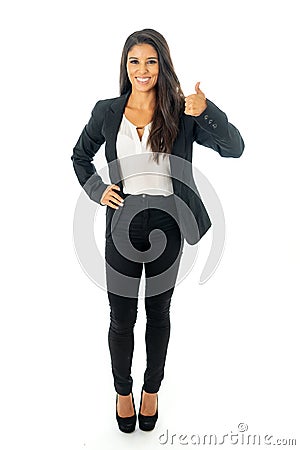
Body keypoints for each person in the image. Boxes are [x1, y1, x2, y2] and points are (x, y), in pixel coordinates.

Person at [71, 28, 244, 433]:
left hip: (169, 219)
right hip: (123, 221)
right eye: (135, 61)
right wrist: (98, 190)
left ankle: (152, 390)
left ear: (162, 66)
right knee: (121, 317)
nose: (142, 69)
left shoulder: (182, 111)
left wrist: (207, 110)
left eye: (151, 61)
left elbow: (235, 148)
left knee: (159, 312)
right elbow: (80, 156)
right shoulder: (107, 112)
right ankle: (122, 391)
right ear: (125, 66)